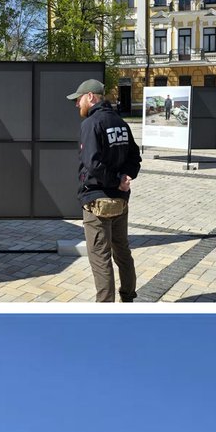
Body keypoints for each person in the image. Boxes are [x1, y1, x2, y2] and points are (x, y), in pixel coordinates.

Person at [67, 78, 140, 303]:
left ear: (91, 97)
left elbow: (92, 163)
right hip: (120, 201)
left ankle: (105, 306)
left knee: (100, 257)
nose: (77, 104)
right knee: (122, 251)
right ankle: (128, 297)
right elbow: (135, 157)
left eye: (79, 99)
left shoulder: (91, 124)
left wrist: (115, 181)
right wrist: (125, 177)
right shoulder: (120, 122)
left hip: (97, 200)